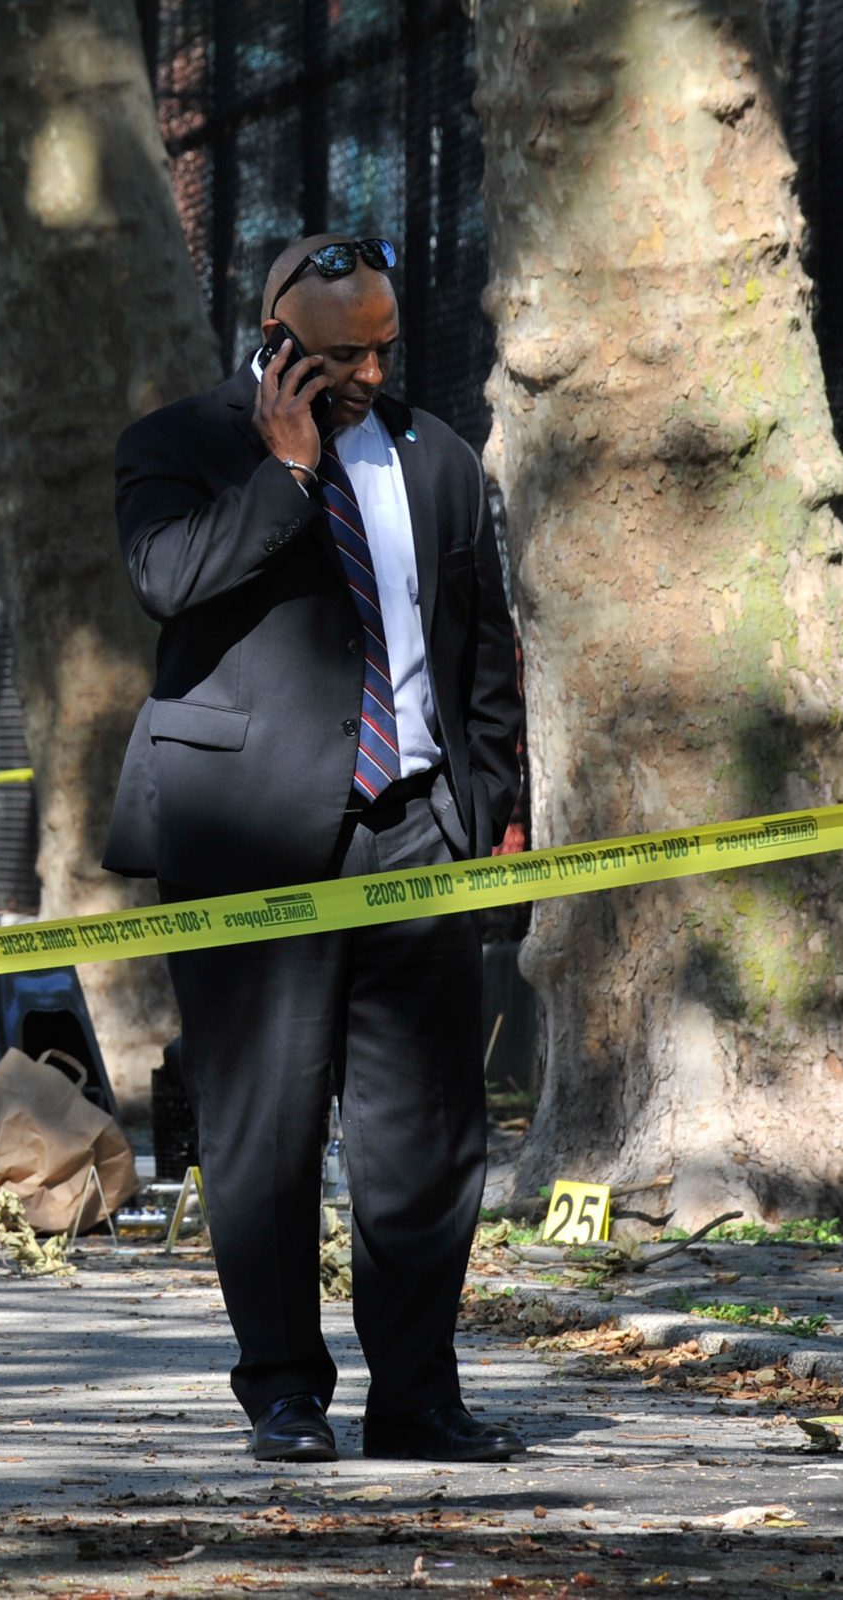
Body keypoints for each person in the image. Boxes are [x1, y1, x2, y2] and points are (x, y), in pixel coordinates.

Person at [103, 234, 526, 1465]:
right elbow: (166, 580)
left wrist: (483, 797)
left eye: (386, 345)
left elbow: (480, 643)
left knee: (428, 1139)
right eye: (345, 352)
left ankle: (417, 1399)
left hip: (415, 834)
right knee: (263, 1132)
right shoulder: (177, 444)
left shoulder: (436, 457)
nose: (371, 369)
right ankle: (284, 1392)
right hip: (248, 844)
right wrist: (284, 477)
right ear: (278, 338)